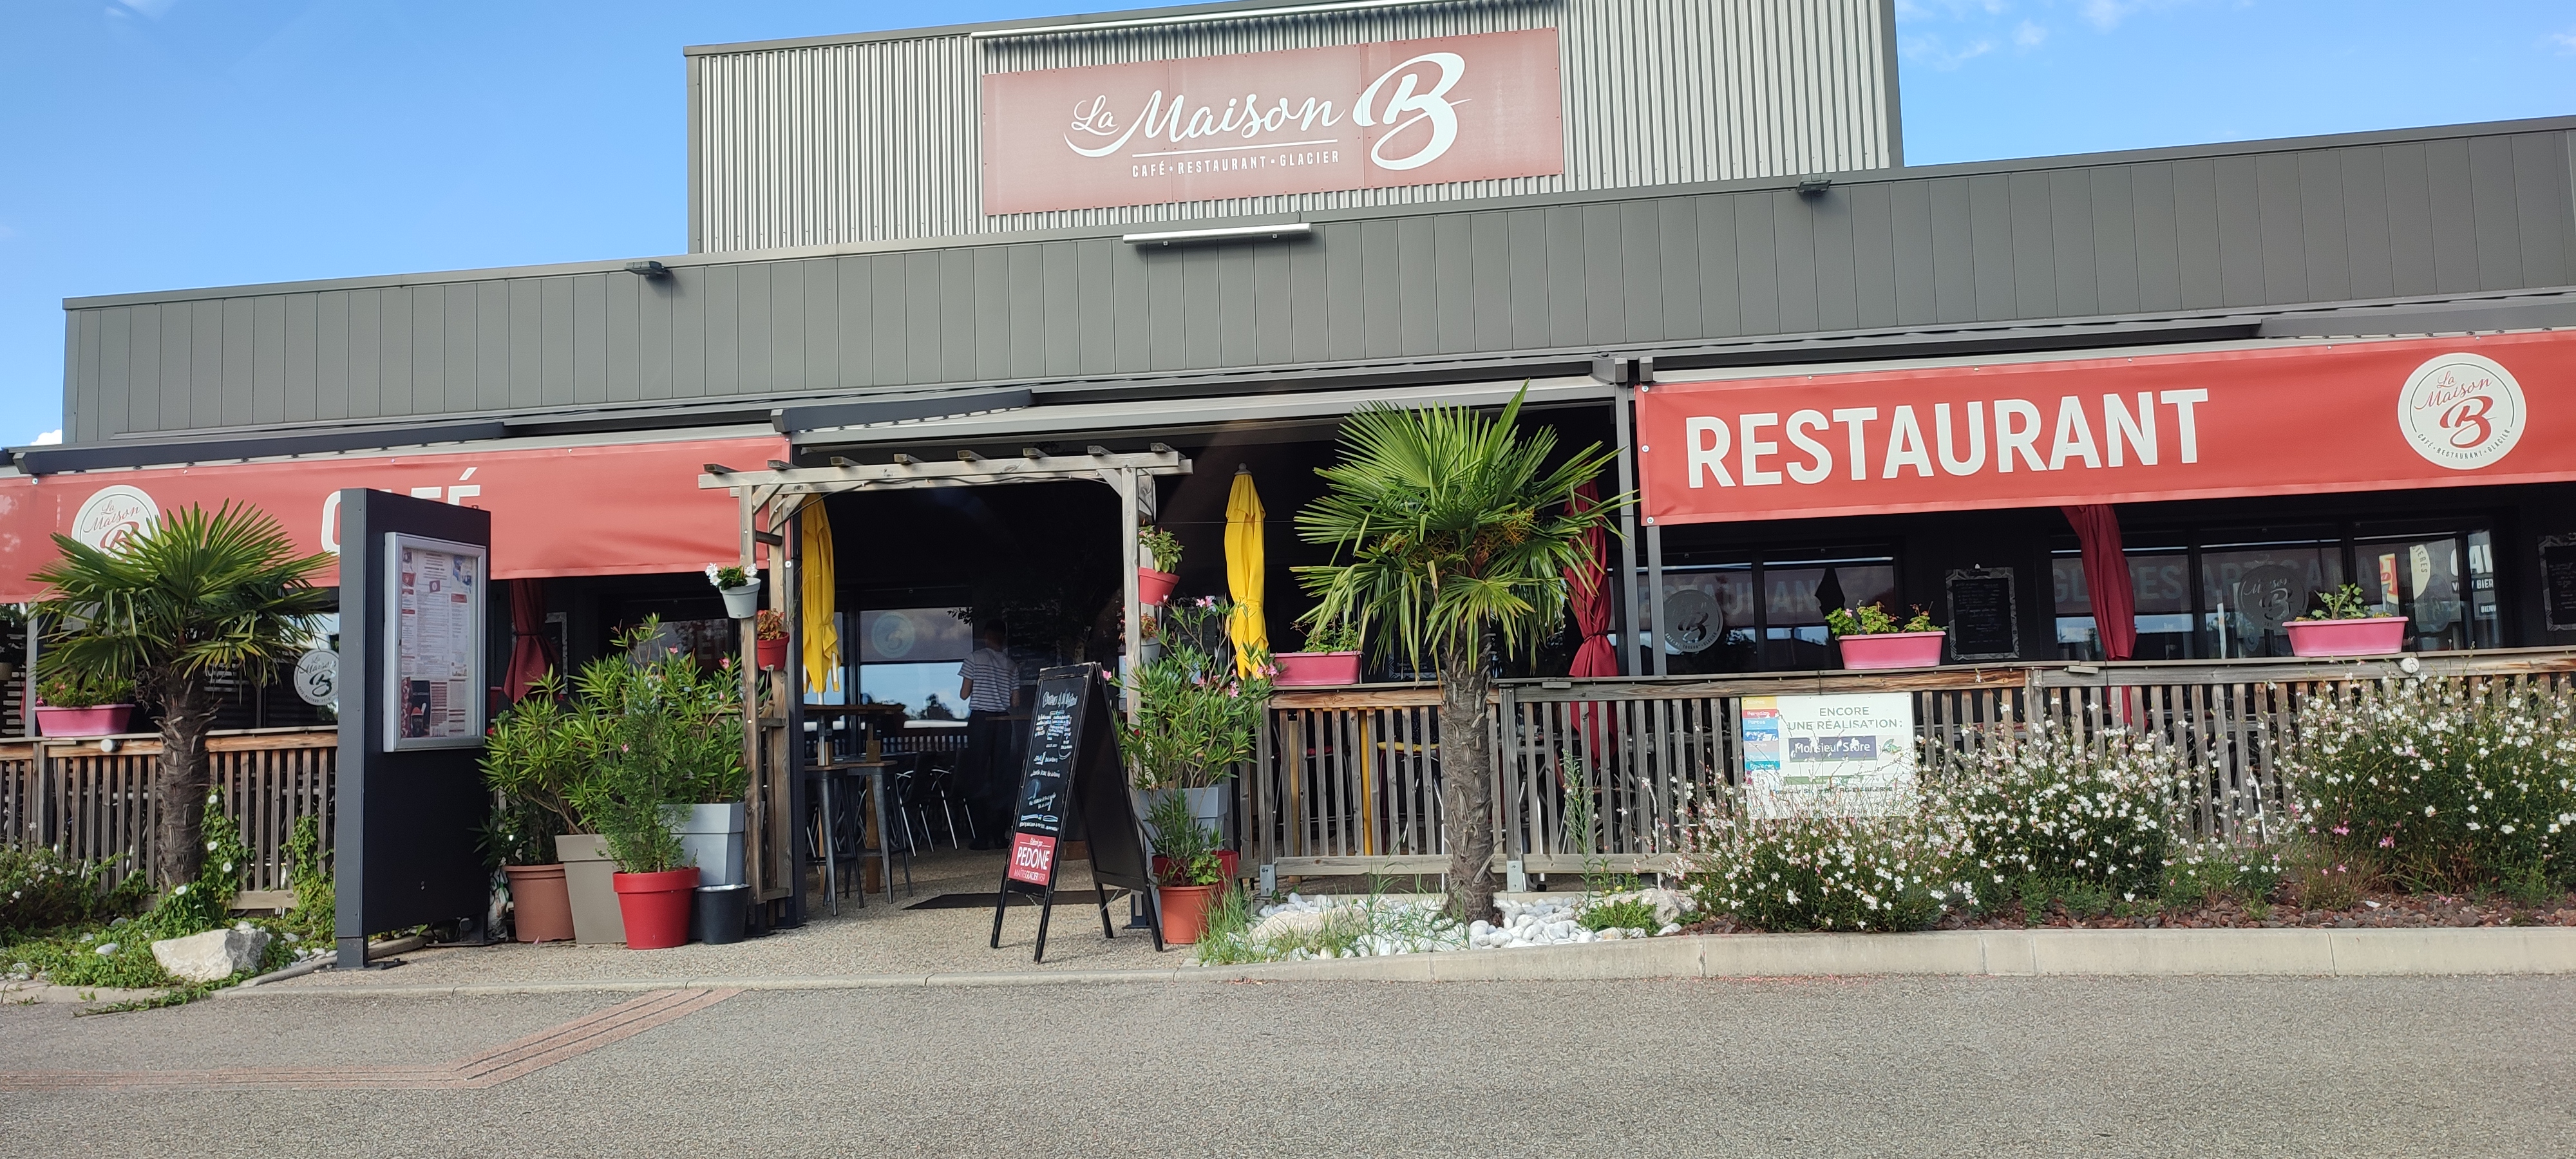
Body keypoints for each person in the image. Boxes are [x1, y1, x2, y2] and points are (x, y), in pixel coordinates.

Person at [956, 623, 1019, 849]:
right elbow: (1015, 702)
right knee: (1001, 776)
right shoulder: (1011, 665)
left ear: (985, 637)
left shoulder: (974, 659)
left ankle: (981, 836)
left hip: (981, 721)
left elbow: (964, 694)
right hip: (1003, 721)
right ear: (1003, 638)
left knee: (978, 775)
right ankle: (1000, 835)